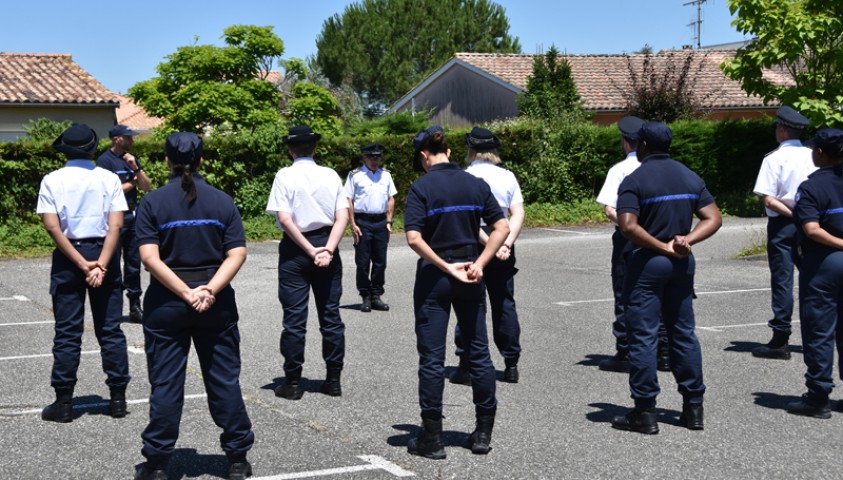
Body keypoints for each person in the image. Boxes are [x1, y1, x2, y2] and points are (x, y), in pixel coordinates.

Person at [134, 133, 254, 480]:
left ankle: (157, 462)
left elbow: (148, 258)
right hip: (215, 302)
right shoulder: (222, 201)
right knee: (223, 380)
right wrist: (210, 289)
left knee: (167, 383)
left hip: (167, 302)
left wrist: (185, 293)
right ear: (202, 161)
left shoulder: (153, 202)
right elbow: (237, 253)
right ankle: (237, 458)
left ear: (167, 161)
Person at [404, 125, 510, 459]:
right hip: (471, 274)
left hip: (436, 277)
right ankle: (482, 433)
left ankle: (432, 439)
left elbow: (414, 238)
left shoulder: (421, 188)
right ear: (448, 152)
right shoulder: (475, 184)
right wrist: (480, 262)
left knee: (432, 358)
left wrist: (444, 266)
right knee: (478, 352)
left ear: (424, 156)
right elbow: (502, 227)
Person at [610, 121, 722, 434]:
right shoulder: (688, 175)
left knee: (644, 335)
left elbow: (628, 226)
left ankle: (645, 412)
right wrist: (686, 240)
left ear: (642, 145)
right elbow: (714, 217)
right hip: (683, 263)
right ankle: (693, 408)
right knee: (683, 332)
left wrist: (661, 246)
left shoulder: (635, 179)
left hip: (647, 263)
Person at [36, 123, 131, 423]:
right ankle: (117, 399)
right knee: (110, 329)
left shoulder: (52, 180)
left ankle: (63, 402)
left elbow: (52, 226)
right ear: (92, 148)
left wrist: (80, 262)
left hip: (69, 256)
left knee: (67, 331)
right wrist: (101, 263)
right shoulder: (108, 178)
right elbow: (116, 224)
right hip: (105, 251)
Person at [266, 125, 349, 400]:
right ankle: (333, 380)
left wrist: (310, 250)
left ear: (291, 149)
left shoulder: (284, 175)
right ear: (314, 148)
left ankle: (292, 383)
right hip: (328, 243)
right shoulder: (330, 175)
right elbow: (343, 217)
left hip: (296, 248)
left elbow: (285, 218)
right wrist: (328, 249)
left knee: (294, 320)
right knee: (331, 317)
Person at [450, 127, 524, 385]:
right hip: (503, 240)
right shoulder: (507, 176)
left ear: (470, 149)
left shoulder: (463, 177)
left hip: (474, 244)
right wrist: (505, 243)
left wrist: (491, 243)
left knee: (471, 303)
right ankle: (511, 362)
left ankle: (467, 362)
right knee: (504, 301)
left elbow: (468, 219)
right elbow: (518, 213)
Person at [788, 128, 843, 419]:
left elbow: (811, 229)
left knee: (819, 329)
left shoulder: (811, 187)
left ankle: (818, 396)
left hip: (825, 263)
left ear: (820, 152)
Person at [752, 106, 815, 360]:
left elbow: (769, 200)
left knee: (782, 280)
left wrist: (794, 215)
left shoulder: (773, 159)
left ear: (782, 129)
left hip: (784, 225)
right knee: (813, 280)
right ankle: (816, 335)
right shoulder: (814, 156)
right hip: (813, 224)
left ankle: (780, 339)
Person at [97, 125, 151, 324]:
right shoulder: (104, 161)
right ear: (116, 139)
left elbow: (147, 186)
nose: (132, 141)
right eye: (128, 138)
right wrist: (132, 183)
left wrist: (136, 168)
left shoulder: (131, 159)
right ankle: (112, 307)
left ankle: (135, 306)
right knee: (112, 263)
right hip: (113, 218)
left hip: (133, 217)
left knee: (134, 262)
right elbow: (110, 191)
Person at [344, 143, 397, 312]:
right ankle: (365, 296)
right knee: (363, 262)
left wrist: (389, 221)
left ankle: (376, 295)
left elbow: (391, 198)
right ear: (364, 158)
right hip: (363, 222)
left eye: (377, 157)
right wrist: (352, 224)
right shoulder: (355, 176)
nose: (375, 160)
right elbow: (349, 200)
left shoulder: (386, 176)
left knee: (380, 261)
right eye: (371, 157)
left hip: (381, 222)